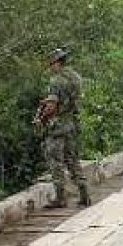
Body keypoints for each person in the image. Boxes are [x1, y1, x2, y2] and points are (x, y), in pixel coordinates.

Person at [36, 46, 91, 208]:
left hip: (58, 126)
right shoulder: (75, 77)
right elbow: (71, 100)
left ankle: (60, 197)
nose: (50, 67)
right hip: (72, 124)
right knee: (73, 159)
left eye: (51, 63)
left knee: (56, 161)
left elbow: (52, 106)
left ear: (56, 63)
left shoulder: (56, 80)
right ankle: (84, 193)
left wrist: (42, 118)